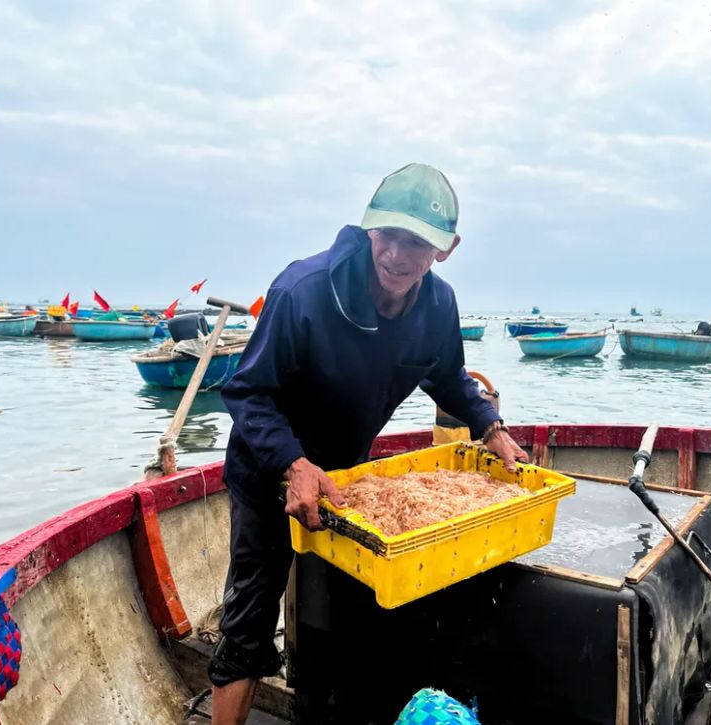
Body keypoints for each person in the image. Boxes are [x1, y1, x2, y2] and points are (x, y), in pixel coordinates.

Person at [211, 163, 528, 725]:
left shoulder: (437, 305)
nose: (398, 256)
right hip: (266, 470)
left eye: (419, 243)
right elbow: (247, 392)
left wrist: (491, 427)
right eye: (390, 236)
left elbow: (450, 378)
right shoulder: (302, 290)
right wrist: (292, 463)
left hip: (348, 482)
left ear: (446, 249)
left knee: (356, 610)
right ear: (368, 230)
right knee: (248, 620)